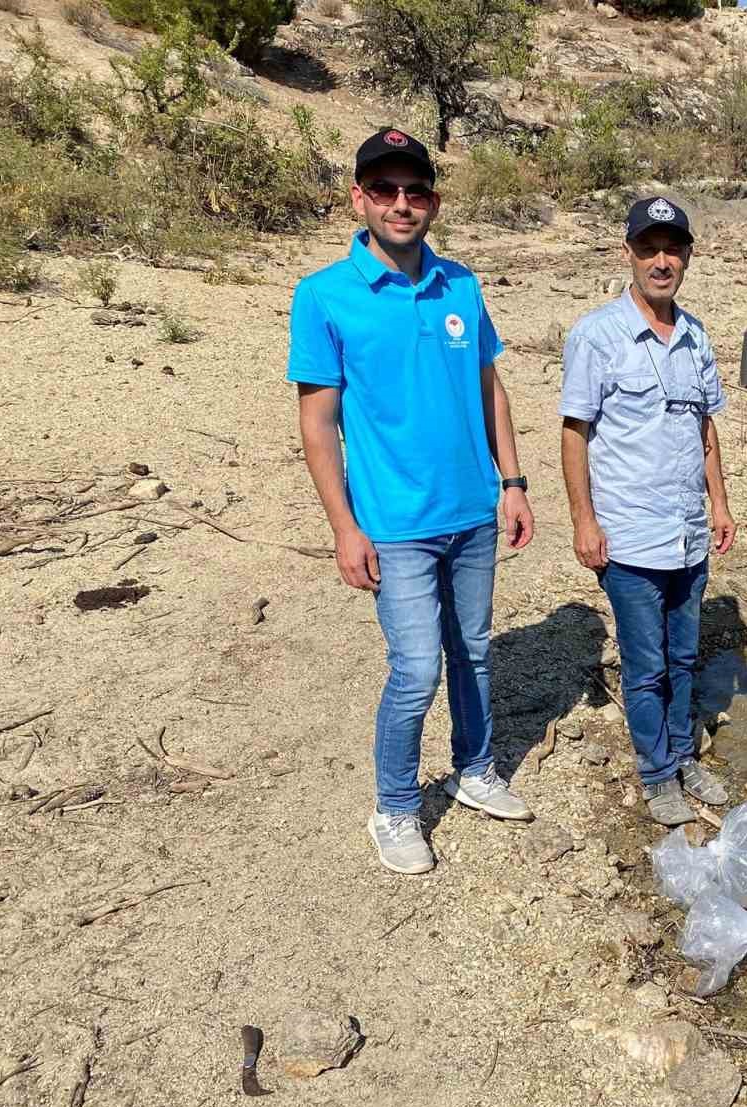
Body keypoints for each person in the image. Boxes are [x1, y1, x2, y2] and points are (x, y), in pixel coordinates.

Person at [287, 127, 536, 875]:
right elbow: (318, 421)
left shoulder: (461, 283)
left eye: (416, 190)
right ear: (359, 197)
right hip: (393, 524)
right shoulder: (325, 296)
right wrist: (343, 527)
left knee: (476, 653)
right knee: (417, 666)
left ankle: (476, 768)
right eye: (386, 189)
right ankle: (394, 807)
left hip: (472, 511)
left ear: (433, 200)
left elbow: (490, 389)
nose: (402, 203)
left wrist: (514, 483)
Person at [560, 196, 736, 827]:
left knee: (685, 656)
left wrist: (719, 504)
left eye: (673, 248)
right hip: (630, 537)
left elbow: (705, 430)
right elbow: (574, 433)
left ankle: (685, 754)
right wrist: (584, 520)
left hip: (688, 534)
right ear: (628, 254)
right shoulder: (596, 335)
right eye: (648, 248)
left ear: (687, 255)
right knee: (646, 663)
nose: (661, 261)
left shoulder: (696, 337)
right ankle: (657, 772)